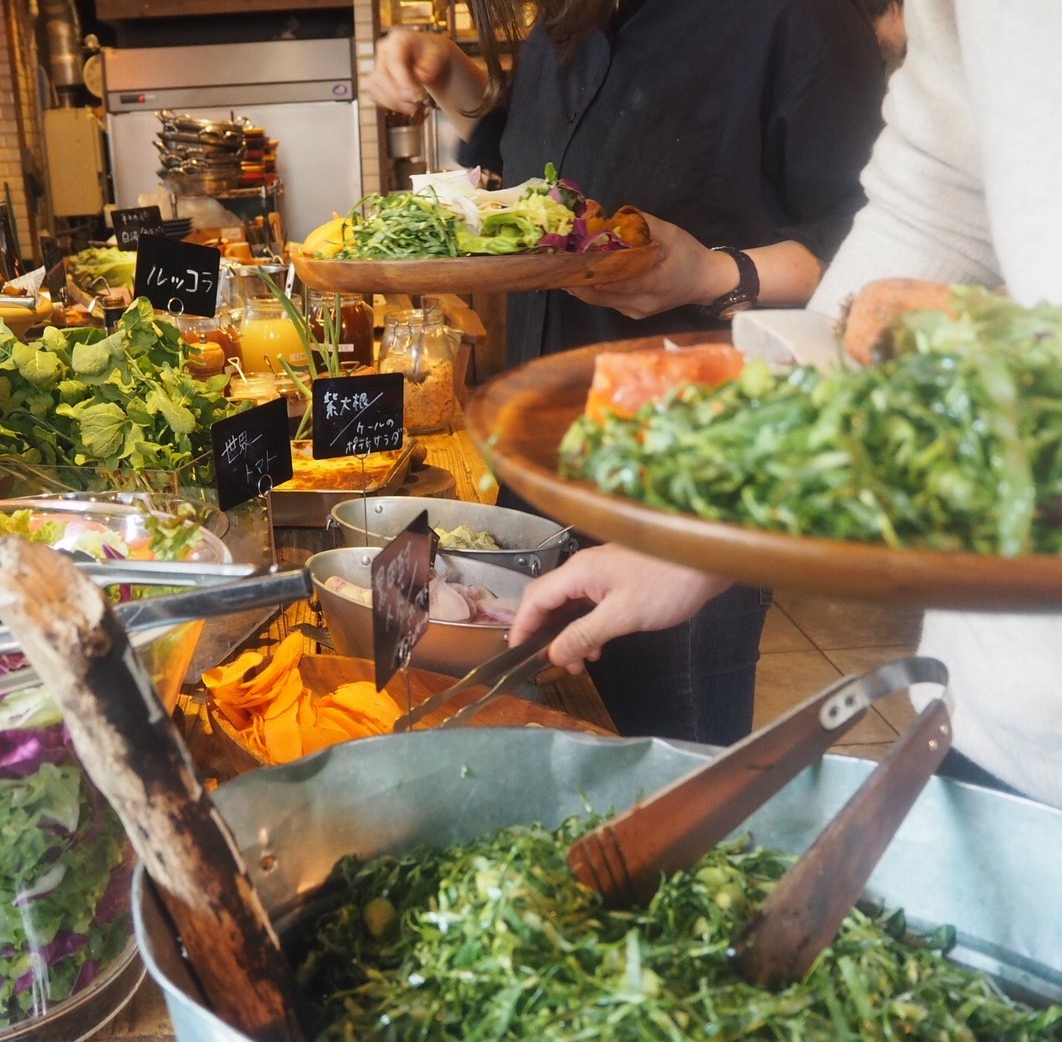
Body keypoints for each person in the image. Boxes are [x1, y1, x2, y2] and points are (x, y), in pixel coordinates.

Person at [510, 0, 1062, 846]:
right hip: (987, 716)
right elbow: (931, 200)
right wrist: (716, 524)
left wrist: (716, 276)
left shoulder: (790, 21)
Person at [367, 0, 887, 744]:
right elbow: (531, 172)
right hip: (540, 474)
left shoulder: (796, 18)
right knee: (540, 748)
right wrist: (454, 76)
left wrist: (714, 274)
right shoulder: (566, 21)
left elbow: (875, 250)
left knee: (662, 771)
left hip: (683, 492)